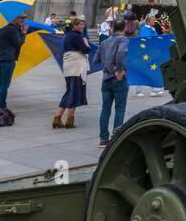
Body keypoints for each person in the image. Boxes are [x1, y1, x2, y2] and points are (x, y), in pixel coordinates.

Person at [97, 19, 130, 147]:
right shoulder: (123, 40)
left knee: (105, 109)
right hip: (118, 78)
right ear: (125, 27)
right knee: (120, 108)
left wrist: (107, 62)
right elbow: (121, 53)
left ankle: (103, 139)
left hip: (106, 78)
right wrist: (119, 70)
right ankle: (116, 138)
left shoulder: (105, 41)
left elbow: (97, 58)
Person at [53, 18, 90, 129]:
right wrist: (86, 44)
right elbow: (86, 50)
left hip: (70, 65)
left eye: (83, 24)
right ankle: (68, 120)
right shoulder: (77, 36)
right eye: (81, 24)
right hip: (76, 66)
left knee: (70, 91)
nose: (82, 26)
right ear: (75, 25)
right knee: (74, 92)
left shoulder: (68, 35)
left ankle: (58, 118)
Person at [0, 13, 25, 109]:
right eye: (21, 18)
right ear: (15, 18)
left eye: (24, 18)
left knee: (0, 83)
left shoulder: (7, 28)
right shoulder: (12, 29)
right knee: (4, 84)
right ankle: (1, 106)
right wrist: (23, 34)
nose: (23, 20)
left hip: (3, 58)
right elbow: (18, 43)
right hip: (8, 59)